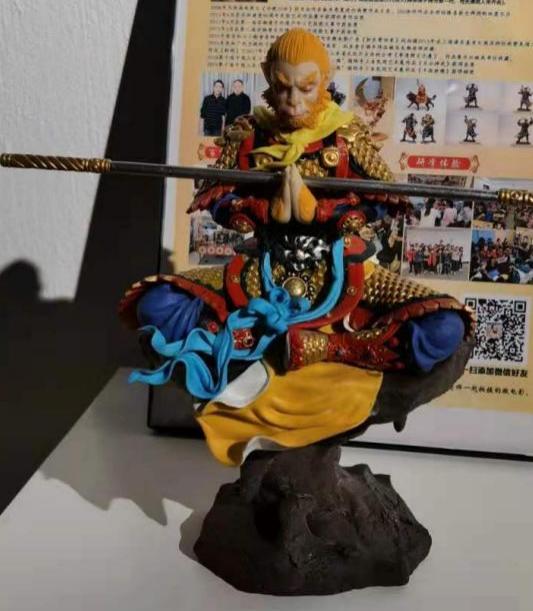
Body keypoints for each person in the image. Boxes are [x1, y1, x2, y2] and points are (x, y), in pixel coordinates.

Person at [120, 28, 472, 466]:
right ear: (268, 76)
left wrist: (322, 213)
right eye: (283, 87)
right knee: (155, 303)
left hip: (345, 269)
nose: (293, 101)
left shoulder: (347, 136)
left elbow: (385, 198)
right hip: (262, 271)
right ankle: (240, 343)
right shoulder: (249, 134)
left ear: (325, 80)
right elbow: (214, 196)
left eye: (306, 87)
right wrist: (261, 210)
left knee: (445, 326)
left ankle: (338, 350)